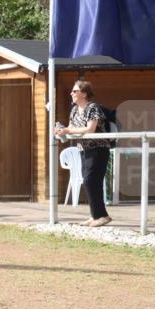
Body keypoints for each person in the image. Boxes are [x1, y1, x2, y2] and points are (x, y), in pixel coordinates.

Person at [55, 79, 112, 227]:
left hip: (98, 149)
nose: (71, 93)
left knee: (90, 181)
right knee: (89, 181)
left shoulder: (93, 108)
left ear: (84, 94)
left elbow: (90, 129)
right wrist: (62, 131)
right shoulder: (74, 110)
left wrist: (68, 130)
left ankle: (101, 216)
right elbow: (71, 128)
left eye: (75, 91)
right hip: (83, 149)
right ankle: (96, 215)